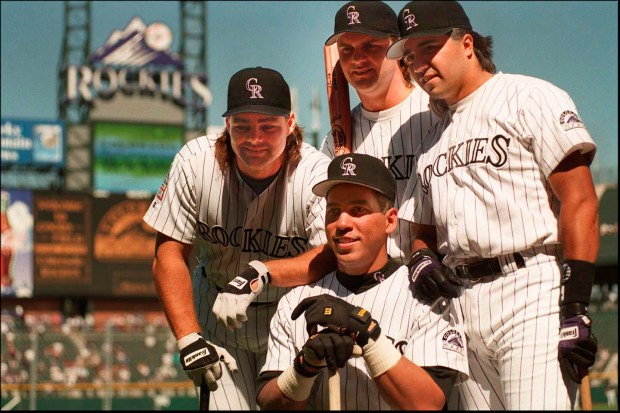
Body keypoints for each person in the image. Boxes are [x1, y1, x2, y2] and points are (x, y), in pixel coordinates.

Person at [389, 1, 599, 409]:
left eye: (428, 47)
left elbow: (580, 200)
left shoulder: (528, 96)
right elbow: (421, 235)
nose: (419, 64)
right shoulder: (431, 138)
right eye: (411, 56)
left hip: (530, 286)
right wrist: (421, 260)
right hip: (461, 303)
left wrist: (576, 305)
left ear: (467, 43)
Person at [212, 0, 457, 334]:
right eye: (347, 49)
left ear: (397, 50)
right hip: (371, 292)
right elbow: (330, 240)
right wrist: (261, 272)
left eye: (370, 47)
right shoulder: (339, 137)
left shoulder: (436, 115)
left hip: (440, 284)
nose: (357, 60)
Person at [143, 66, 332, 410]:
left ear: (290, 125)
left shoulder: (315, 172)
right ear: (227, 125)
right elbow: (168, 254)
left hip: (287, 314)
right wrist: (188, 337)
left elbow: (327, 256)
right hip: (216, 313)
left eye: (268, 127)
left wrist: (261, 273)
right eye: (242, 126)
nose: (254, 138)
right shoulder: (196, 163)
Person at [256, 153, 468, 410]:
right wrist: (305, 366)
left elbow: (426, 404)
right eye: (334, 211)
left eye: (359, 210)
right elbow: (269, 404)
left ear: (390, 220)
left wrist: (364, 332)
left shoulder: (423, 294)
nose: (342, 223)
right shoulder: (295, 303)